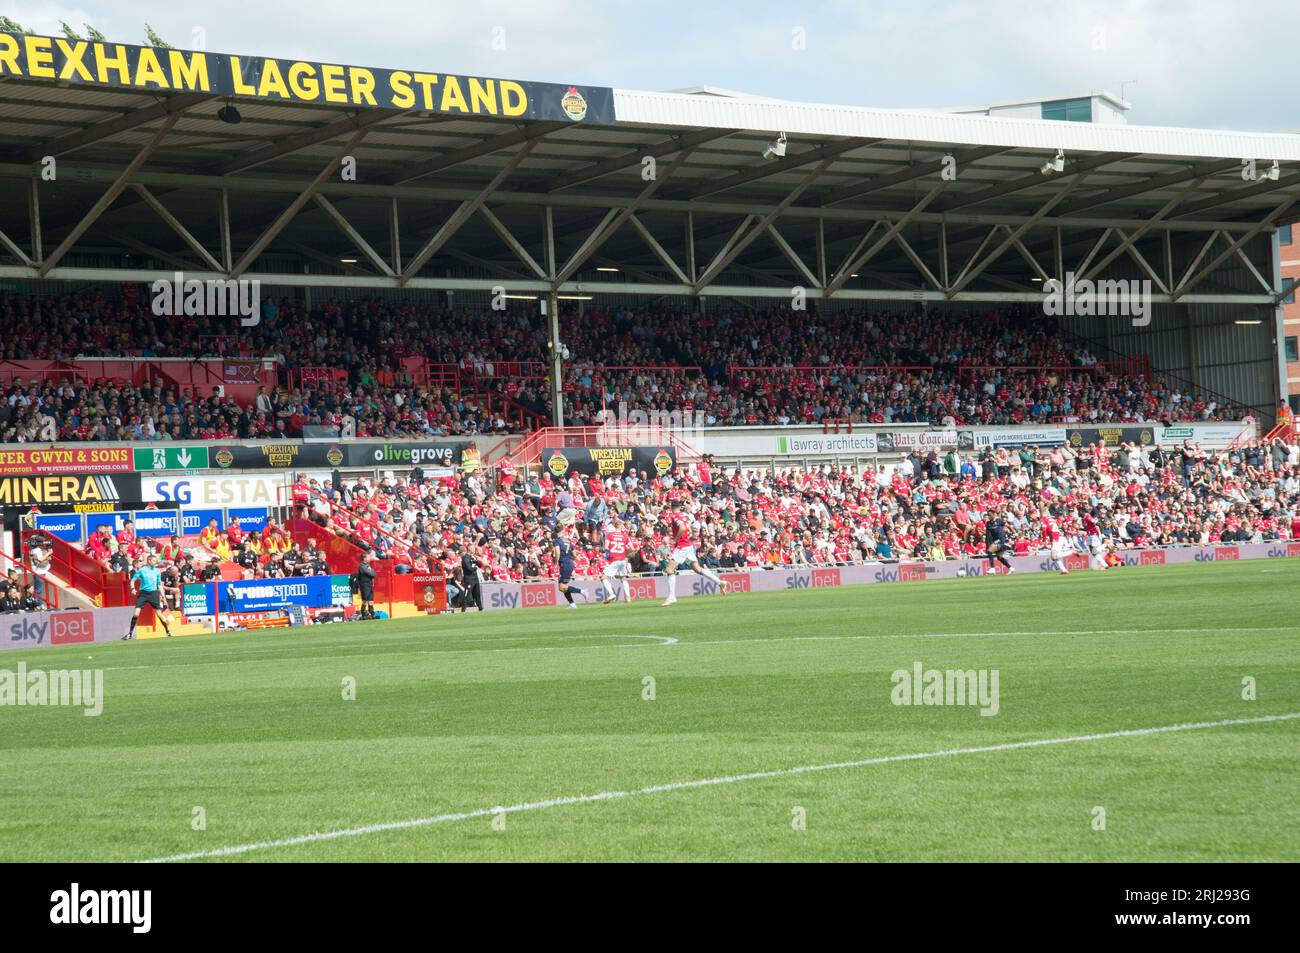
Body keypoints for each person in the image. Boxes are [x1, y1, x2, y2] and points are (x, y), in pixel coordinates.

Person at [662, 511, 728, 606]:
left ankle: (672, 596)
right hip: (688, 545)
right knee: (698, 569)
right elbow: (687, 528)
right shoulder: (684, 515)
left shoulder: (675, 516)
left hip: (682, 546)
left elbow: (683, 528)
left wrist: (676, 539)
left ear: (671, 508)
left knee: (669, 569)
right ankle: (720, 582)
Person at [123, 553, 173, 640]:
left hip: (153, 594)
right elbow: (133, 580)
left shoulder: (157, 571)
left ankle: (168, 631)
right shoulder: (142, 570)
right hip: (143, 594)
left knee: (160, 614)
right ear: (149, 561)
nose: (155, 562)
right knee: (136, 614)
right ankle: (130, 634)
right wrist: (132, 589)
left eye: (156, 561)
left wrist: (163, 597)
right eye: (154, 560)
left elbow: (159, 585)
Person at [601, 517, 633, 604]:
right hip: (622, 559)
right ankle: (628, 598)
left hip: (614, 559)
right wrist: (625, 552)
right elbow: (632, 548)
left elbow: (606, 547)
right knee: (623, 578)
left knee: (603, 577)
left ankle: (611, 594)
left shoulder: (610, 535)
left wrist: (610, 550)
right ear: (621, 527)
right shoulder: (625, 536)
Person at [552, 530, 586, 608]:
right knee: (564, 586)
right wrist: (575, 559)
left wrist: (556, 563)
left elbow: (557, 552)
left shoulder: (557, 541)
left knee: (562, 587)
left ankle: (582, 591)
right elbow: (573, 553)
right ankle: (572, 604)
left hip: (565, 564)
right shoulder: (568, 542)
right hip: (569, 563)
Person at [354, 552, 377, 620]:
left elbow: (373, 573)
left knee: (371, 599)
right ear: (364, 558)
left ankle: (372, 612)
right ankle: (363, 612)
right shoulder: (361, 566)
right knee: (365, 599)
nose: (369, 558)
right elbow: (370, 573)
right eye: (368, 557)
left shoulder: (367, 565)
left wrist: (372, 573)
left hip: (369, 584)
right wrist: (372, 573)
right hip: (364, 584)